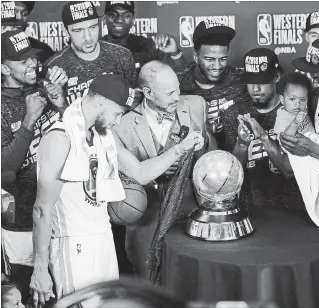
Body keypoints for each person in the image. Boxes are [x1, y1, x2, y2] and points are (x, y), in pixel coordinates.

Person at [29, 73, 204, 308]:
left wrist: (181, 148)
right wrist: (40, 268)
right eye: (117, 113)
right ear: (100, 103)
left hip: (103, 235)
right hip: (72, 244)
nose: (117, 120)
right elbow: (42, 208)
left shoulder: (103, 136)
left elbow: (141, 172)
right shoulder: (60, 138)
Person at [113, 61, 216, 278]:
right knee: (150, 287)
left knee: (195, 282)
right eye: (170, 93)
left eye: (178, 89)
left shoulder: (196, 105)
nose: (177, 97)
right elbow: (119, 176)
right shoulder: (120, 124)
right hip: (146, 219)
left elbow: (211, 155)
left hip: (191, 216)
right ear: (148, 92)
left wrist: (202, 143)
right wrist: (155, 172)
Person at [1, 29, 68, 304]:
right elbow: (4, 172)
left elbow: (76, 141)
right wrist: (28, 122)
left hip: (60, 219)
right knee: (28, 300)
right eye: (22, 61)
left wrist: (63, 104)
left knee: (63, 298)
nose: (32, 65)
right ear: (4, 67)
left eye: (33, 58)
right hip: (21, 225)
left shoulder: (44, 89)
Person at [217, 48, 305, 212]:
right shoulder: (234, 114)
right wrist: (242, 144)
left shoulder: (294, 112)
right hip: (252, 212)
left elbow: (290, 171)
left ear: (277, 77)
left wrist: (264, 137)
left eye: (262, 81)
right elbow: (232, 176)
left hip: (293, 212)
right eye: (251, 81)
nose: (255, 88)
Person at [46, 1, 138, 105]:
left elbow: (134, 103)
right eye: (78, 30)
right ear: (65, 31)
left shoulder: (122, 55)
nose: (88, 38)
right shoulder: (54, 67)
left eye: (93, 27)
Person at [274, 72, 319, 229]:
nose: (298, 104)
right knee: (315, 184)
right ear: (282, 100)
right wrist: (294, 123)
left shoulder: (306, 111)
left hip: (314, 149)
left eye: (302, 100)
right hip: (298, 155)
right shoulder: (283, 115)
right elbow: (286, 139)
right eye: (292, 99)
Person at [176, 19, 251, 135]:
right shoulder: (178, 81)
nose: (217, 66)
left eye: (223, 59)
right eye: (210, 59)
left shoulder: (240, 80)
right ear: (196, 57)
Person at [281, 38, 319, 166]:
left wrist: (312, 149)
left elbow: (311, 149)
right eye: (312, 77)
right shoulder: (315, 99)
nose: (315, 84)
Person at [102, 1, 187, 72]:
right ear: (104, 19)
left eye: (126, 15)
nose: (119, 20)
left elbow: (184, 82)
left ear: (133, 20)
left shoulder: (148, 47)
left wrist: (175, 53)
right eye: (113, 15)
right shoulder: (94, 48)